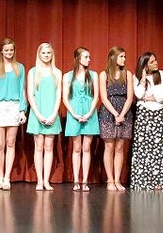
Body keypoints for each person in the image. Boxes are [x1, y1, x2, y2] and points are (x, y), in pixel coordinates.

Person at [0, 38, 27, 191]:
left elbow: (23, 90)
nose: (9, 52)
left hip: (14, 106)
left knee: (11, 143)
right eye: (7, 50)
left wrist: (23, 110)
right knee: (0, 144)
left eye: (11, 50)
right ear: (1, 50)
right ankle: (0, 176)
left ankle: (7, 177)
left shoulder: (19, 67)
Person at [130, 52, 163, 190]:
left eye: (156, 60)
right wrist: (142, 80)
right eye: (152, 61)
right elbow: (138, 94)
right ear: (145, 65)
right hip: (144, 115)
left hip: (158, 114)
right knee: (144, 148)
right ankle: (143, 181)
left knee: (159, 148)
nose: (156, 63)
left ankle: (159, 181)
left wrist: (149, 97)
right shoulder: (135, 77)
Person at [63, 47, 100, 192]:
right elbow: (65, 98)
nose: (89, 60)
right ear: (78, 58)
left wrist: (90, 112)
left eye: (89, 57)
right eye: (86, 57)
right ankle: (76, 180)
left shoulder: (93, 75)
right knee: (76, 148)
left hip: (89, 112)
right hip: (74, 112)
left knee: (86, 148)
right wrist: (73, 114)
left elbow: (96, 96)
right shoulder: (67, 76)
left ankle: (85, 181)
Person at [26, 42, 62, 191]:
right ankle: (39, 181)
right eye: (44, 53)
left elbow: (58, 95)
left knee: (49, 147)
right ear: (39, 54)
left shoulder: (57, 72)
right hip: (37, 113)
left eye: (48, 53)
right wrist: (38, 114)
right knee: (38, 146)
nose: (46, 55)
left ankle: (46, 180)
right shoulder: (33, 72)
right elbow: (30, 95)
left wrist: (54, 114)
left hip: (51, 113)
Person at [98, 47, 134, 191]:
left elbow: (130, 97)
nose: (124, 59)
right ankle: (110, 180)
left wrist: (122, 114)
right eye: (121, 56)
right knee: (109, 146)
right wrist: (115, 114)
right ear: (113, 58)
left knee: (120, 148)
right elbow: (104, 98)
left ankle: (118, 179)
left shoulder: (128, 74)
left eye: (124, 56)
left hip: (124, 111)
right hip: (108, 112)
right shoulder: (104, 75)